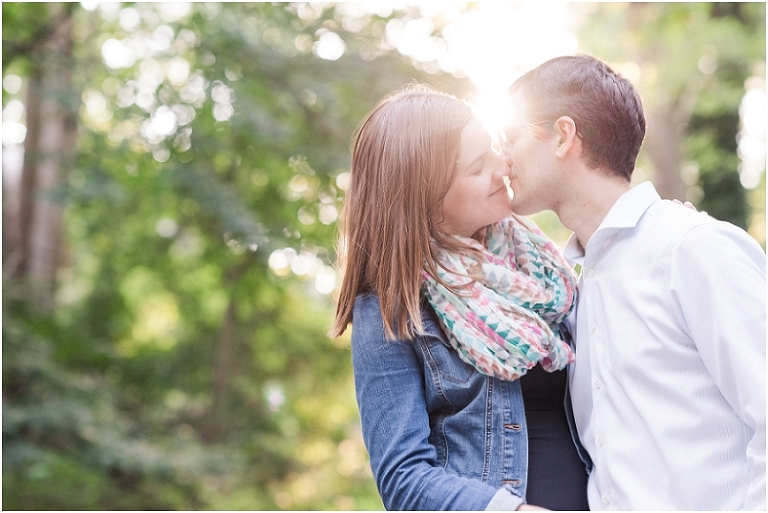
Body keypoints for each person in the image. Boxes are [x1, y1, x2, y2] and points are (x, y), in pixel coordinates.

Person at [501, 53, 766, 510]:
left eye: (509, 137)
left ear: (563, 136)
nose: (500, 159)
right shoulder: (575, 288)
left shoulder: (693, 250)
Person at [329, 85, 590, 510]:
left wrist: (654, 239)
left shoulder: (539, 271)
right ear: (428, 204)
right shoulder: (391, 308)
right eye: (476, 166)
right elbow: (403, 479)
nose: (503, 164)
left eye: (492, 149)